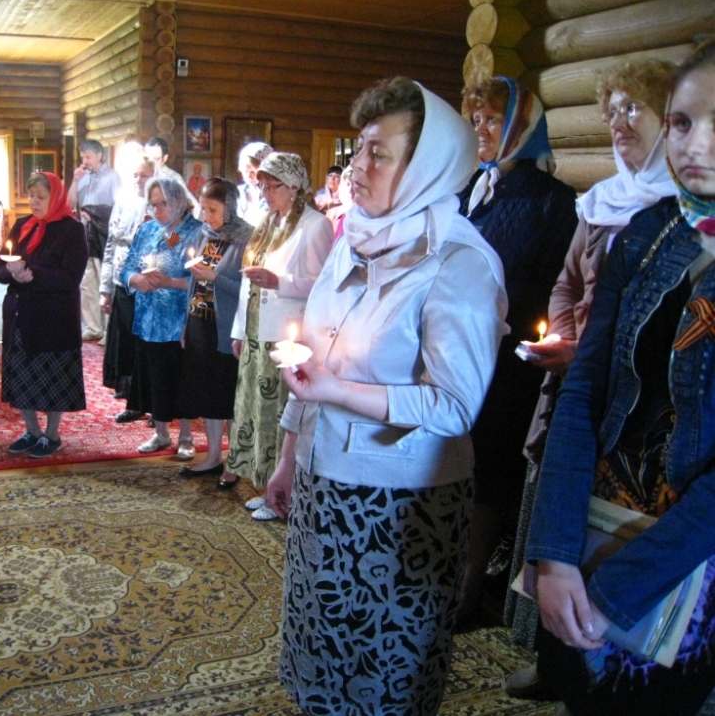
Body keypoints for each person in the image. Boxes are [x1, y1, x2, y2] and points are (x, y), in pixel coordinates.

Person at [265, 77, 507, 716]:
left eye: (380, 154)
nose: (357, 167)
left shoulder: (460, 262)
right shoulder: (355, 239)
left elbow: (454, 406)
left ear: (427, 168)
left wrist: (338, 390)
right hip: (322, 479)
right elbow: (311, 359)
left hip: (400, 505)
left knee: (382, 668)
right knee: (320, 648)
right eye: (360, 150)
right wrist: (289, 456)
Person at [525, 41, 715, 716]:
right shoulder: (648, 234)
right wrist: (555, 554)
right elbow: (585, 393)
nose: (696, 145)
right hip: (602, 522)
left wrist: (617, 587)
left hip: (691, 555)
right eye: (684, 122)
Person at [502, 58, 678, 700]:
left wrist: (588, 352)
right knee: (559, 517)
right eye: (612, 109)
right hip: (576, 381)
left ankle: (599, 663)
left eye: (635, 108)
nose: (619, 121)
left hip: (637, 404)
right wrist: (566, 337)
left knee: (614, 535)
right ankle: (555, 658)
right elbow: (568, 280)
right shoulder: (603, 200)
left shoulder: (675, 215)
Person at [456, 76, 578, 619]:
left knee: (490, 465)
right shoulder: (468, 190)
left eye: (491, 120)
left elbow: (552, 282)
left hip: (509, 359)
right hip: (460, 348)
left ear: (522, 127)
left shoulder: (553, 200)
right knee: (455, 456)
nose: (480, 130)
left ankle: (470, 584)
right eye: (476, 120)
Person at [222, 152, 333, 514]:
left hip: (286, 335)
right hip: (257, 330)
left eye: (273, 186)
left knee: (280, 415)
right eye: (263, 186)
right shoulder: (267, 223)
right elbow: (247, 282)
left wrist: (279, 282)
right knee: (257, 412)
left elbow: (322, 286)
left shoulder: (315, 225)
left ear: (295, 186)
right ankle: (266, 482)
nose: (266, 193)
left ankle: (286, 492)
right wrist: (240, 330)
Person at [0, 171, 88, 458]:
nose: (34, 201)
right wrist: (12, 274)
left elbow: (70, 277)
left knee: (52, 378)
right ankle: (32, 431)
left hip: (54, 318)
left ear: (55, 197)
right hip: (20, 315)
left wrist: (31, 273)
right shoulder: (23, 225)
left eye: (41, 197)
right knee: (22, 376)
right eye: (31, 196)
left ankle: (52, 435)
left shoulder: (72, 230)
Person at [176, 178, 253, 481]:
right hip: (199, 322)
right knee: (206, 394)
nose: (207, 217)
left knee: (226, 394)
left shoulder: (246, 238)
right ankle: (212, 457)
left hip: (226, 328)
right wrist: (186, 324)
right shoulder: (203, 233)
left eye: (213, 210)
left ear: (229, 207)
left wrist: (214, 278)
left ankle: (233, 463)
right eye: (203, 209)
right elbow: (193, 284)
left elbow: (248, 289)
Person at [120, 178, 202, 458]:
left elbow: (202, 280)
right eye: (153, 205)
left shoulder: (196, 232)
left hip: (180, 320)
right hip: (149, 319)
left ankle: (187, 436)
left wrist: (169, 282)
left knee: (182, 380)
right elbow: (127, 267)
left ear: (178, 200)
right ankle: (161, 433)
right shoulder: (147, 230)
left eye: (163, 204)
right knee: (155, 378)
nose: (157, 210)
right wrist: (136, 279)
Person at [100, 155, 155, 422]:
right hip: (124, 280)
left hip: (154, 285)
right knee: (126, 340)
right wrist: (105, 288)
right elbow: (111, 244)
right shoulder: (123, 202)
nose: (139, 180)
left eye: (144, 175)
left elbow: (175, 240)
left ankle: (154, 403)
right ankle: (132, 396)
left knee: (149, 345)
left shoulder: (164, 202)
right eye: (135, 175)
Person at [67, 139, 121, 342]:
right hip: (85, 235)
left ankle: (108, 331)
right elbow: (70, 203)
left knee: (105, 283)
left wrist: (96, 215)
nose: (85, 161)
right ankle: (93, 327)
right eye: (83, 157)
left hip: (104, 236)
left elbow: (119, 207)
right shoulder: (83, 176)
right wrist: (75, 181)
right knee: (87, 282)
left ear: (100, 155)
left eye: (88, 157)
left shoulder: (112, 177)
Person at [236, 141, 274, 227]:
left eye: (253, 172)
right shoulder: (237, 192)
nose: (249, 176)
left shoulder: (273, 193)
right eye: (246, 171)